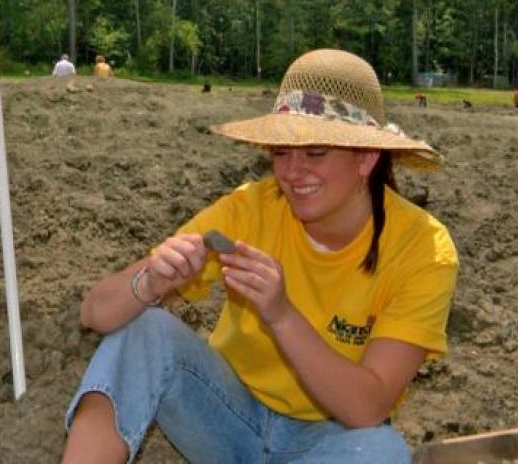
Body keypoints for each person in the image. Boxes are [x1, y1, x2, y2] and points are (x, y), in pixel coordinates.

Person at [62, 49, 457, 464]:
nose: (292, 172)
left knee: (381, 451)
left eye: (315, 153)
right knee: (143, 330)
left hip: (330, 440)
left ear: (365, 157)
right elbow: (96, 312)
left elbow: (367, 408)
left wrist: (282, 315)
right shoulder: (251, 210)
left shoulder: (422, 249)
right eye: (281, 152)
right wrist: (152, 282)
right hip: (229, 413)